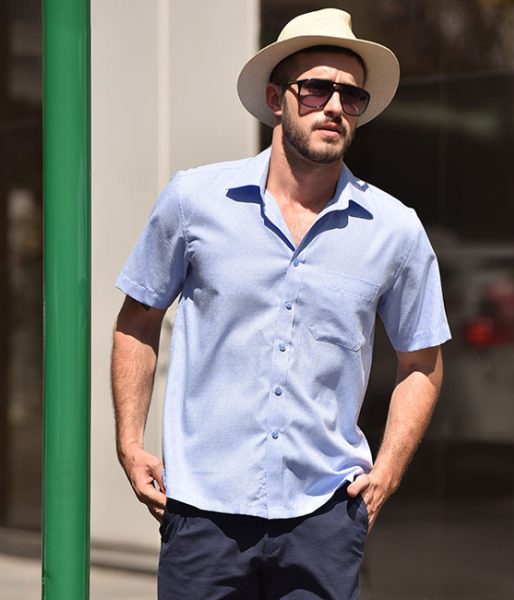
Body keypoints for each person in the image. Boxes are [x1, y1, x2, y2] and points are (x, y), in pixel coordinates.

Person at [112, 7, 451, 600]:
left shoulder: (395, 230)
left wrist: (389, 471)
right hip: (203, 511)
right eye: (316, 89)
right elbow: (138, 320)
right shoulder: (195, 201)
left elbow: (422, 361)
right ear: (276, 99)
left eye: (352, 96)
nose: (334, 107)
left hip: (325, 515)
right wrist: (130, 443)